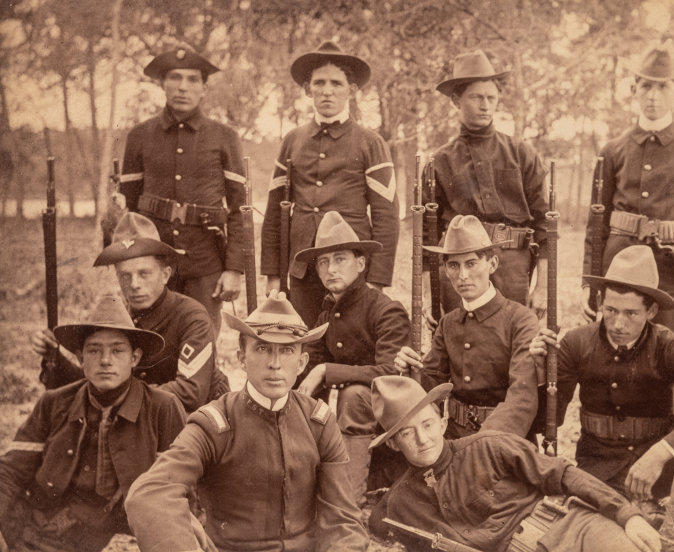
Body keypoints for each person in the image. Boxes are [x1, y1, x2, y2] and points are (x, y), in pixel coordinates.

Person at [124, 291, 370, 552]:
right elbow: (149, 494)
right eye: (262, 349)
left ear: (301, 363)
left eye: (286, 351)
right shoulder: (214, 424)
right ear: (242, 359)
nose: (275, 364)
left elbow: (343, 519)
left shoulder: (318, 422)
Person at [367, 375, 662, 552]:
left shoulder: (488, 445)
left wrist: (627, 514)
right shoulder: (402, 505)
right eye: (407, 433)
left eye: (428, 424)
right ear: (393, 443)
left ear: (443, 421)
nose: (423, 439)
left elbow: (564, 475)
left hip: (570, 530)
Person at [530, 246, 674, 506]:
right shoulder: (576, 343)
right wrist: (538, 373)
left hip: (657, 480)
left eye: (631, 313)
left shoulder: (666, 345)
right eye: (610, 310)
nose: (617, 324)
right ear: (600, 301)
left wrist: (662, 452)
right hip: (596, 473)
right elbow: (548, 420)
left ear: (652, 312)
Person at [0, 295, 185, 552]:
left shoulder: (162, 407)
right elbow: (11, 471)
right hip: (57, 515)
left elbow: (185, 484)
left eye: (117, 350)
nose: (105, 360)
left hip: (132, 515)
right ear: (80, 358)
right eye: (94, 350)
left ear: (135, 357)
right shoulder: (54, 402)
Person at [581, 41, 674, 336]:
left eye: (663, 88)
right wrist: (590, 285)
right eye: (646, 87)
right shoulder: (613, 150)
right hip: (618, 270)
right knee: (615, 357)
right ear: (634, 90)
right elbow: (597, 226)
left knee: (667, 361)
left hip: (672, 272)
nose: (653, 97)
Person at [261, 41, 399, 328]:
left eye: (336, 83)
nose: (327, 90)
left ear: (352, 89)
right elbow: (275, 212)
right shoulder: (292, 141)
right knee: (302, 340)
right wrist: (274, 274)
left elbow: (386, 217)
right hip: (302, 269)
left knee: (351, 343)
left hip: (350, 267)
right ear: (308, 89)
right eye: (319, 83)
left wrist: (377, 279)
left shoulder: (370, 142)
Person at [31, 212, 229, 413]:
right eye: (125, 275)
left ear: (165, 275)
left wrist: (122, 397)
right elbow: (96, 385)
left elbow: (190, 393)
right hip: (146, 416)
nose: (134, 285)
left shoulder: (192, 317)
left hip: (198, 422)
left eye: (144, 274)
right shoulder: (119, 319)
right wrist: (55, 357)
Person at [119, 47, 247, 335]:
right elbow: (128, 209)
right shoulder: (139, 136)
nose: (182, 87)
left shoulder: (224, 137)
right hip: (153, 260)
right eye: (175, 78)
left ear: (203, 89)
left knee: (200, 340)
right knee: (149, 339)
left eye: (192, 80)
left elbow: (240, 209)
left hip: (205, 262)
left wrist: (234, 269)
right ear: (163, 85)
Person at [294, 210, 410, 501]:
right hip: (346, 428)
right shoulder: (326, 312)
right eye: (323, 262)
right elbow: (311, 363)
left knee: (355, 395)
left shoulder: (385, 309)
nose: (331, 269)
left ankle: (347, 504)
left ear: (360, 264)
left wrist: (326, 372)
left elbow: (390, 373)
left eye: (340, 259)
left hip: (388, 428)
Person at [395, 214, 539, 439]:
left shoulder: (521, 320)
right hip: (454, 439)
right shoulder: (449, 322)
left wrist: (483, 444)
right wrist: (410, 370)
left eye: (471, 264)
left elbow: (522, 397)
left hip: (504, 442)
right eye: (453, 265)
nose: (462, 276)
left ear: (492, 263)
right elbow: (432, 384)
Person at [427, 49, 549, 316]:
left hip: (513, 266)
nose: (485, 105)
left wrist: (543, 288)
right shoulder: (440, 161)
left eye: (491, 98)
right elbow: (428, 236)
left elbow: (545, 224)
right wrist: (429, 293)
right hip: (461, 270)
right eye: (476, 97)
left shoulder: (521, 153)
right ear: (456, 100)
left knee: (513, 343)